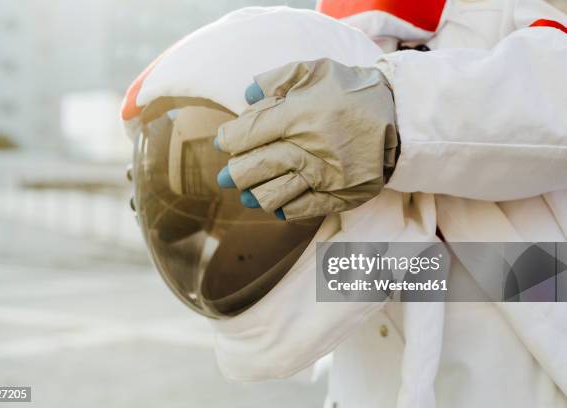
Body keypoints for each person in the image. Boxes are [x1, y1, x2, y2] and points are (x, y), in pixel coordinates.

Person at [121, 2, 567, 407]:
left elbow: (550, 82)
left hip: (528, 317)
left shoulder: (500, 16)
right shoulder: (320, 37)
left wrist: (399, 110)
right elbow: (364, 274)